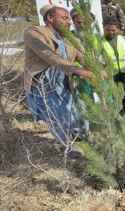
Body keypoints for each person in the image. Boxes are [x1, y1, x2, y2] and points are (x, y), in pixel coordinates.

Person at [24, 4, 93, 155]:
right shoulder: (34, 32)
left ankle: (80, 139)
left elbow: (83, 57)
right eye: (64, 18)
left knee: (79, 114)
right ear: (50, 18)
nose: (69, 22)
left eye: (69, 19)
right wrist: (77, 70)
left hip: (64, 82)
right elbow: (50, 56)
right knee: (58, 119)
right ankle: (67, 148)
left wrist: (98, 71)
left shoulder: (68, 39)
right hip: (44, 85)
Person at [101, 18, 125, 113]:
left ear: (117, 29)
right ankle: (116, 113)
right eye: (108, 30)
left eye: (113, 30)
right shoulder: (100, 41)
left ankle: (124, 110)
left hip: (124, 72)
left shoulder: (124, 39)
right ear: (104, 29)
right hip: (110, 73)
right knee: (112, 94)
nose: (111, 32)